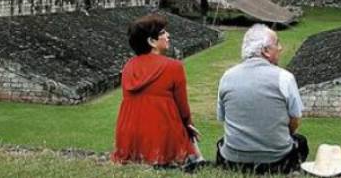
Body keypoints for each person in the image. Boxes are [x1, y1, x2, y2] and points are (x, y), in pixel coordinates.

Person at [216, 23, 309, 174]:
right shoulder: (284, 78)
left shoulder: (227, 77)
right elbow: (295, 121)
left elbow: (223, 117)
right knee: (301, 142)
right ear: (265, 51)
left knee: (221, 142)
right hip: (276, 161)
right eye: (277, 43)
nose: (280, 48)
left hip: (233, 159)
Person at [112, 14, 202, 168]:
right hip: (160, 138)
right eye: (162, 33)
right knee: (188, 135)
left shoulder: (128, 67)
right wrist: (188, 125)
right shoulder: (173, 67)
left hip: (128, 138)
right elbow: (183, 109)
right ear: (152, 41)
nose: (168, 35)